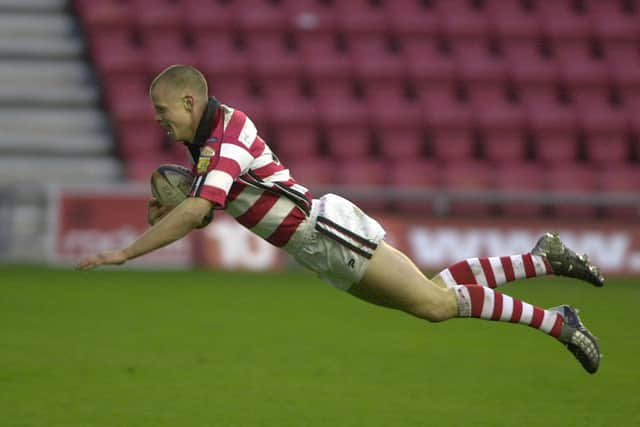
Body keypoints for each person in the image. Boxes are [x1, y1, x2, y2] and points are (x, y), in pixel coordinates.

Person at [76, 64, 603, 374]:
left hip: (325, 233)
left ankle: (558, 321)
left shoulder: (226, 137)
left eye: (163, 111)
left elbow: (197, 212)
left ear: (190, 100)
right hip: (318, 245)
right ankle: (540, 258)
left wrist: (126, 250)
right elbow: (209, 203)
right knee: (432, 295)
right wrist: (180, 198)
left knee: (436, 305)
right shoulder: (208, 144)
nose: (159, 121)